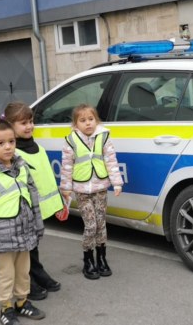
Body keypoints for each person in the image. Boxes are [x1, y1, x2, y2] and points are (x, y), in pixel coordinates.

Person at [0, 119, 45, 325]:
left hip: (25, 230)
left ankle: (22, 301)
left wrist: (38, 225)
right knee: (6, 274)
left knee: (23, 270)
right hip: (2, 235)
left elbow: (33, 198)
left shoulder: (22, 166)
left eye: (11, 142)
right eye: (1, 143)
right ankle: (6, 307)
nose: (8, 147)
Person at [4, 102, 64, 300]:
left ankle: (37, 273)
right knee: (24, 247)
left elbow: (45, 178)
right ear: (10, 125)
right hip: (22, 210)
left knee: (33, 244)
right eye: (23, 123)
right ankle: (26, 281)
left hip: (36, 209)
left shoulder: (34, 146)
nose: (29, 126)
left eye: (30, 121)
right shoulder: (11, 153)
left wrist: (57, 202)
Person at [60, 103, 123, 280]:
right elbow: (66, 167)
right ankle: (88, 259)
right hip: (82, 191)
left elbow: (111, 161)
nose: (88, 123)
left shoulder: (103, 137)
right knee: (91, 225)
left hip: (100, 189)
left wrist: (117, 183)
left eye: (91, 119)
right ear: (75, 124)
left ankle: (101, 258)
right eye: (83, 120)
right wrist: (66, 189)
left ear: (96, 120)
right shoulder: (70, 141)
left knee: (101, 224)